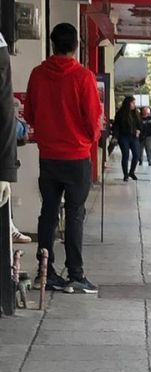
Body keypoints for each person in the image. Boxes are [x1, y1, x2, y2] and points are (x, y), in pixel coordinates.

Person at [24, 22, 101, 294]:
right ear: (76, 46)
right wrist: (89, 140)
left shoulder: (37, 74)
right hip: (77, 155)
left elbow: (30, 114)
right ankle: (76, 274)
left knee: (48, 212)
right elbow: (93, 119)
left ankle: (46, 271)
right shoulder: (83, 76)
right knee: (75, 214)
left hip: (49, 156)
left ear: (52, 44)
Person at [113, 96, 142, 181]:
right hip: (124, 137)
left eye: (134, 103)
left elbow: (140, 124)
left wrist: (139, 130)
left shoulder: (136, 113)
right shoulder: (120, 114)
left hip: (134, 137)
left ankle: (131, 172)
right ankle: (125, 174)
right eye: (132, 103)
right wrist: (115, 136)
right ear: (128, 103)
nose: (134, 105)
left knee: (136, 155)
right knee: (126, 155)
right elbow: (116, 126)